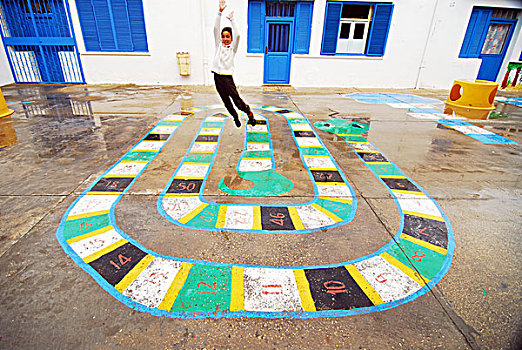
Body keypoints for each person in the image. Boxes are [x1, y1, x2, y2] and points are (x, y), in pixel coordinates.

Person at [212, 0, 256, 128]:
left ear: (230, 38)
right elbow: (215, 28)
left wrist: (232, 20)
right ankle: (235, 117)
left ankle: (248, 113)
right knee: (226, 101)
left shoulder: (233, 48)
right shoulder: (218, 45)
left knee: (236, 100)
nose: (225, 39)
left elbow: (238, 35)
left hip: (227, 78)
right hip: (217, 76)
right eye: (223, 36)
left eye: (227, 37)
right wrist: (219, 12)